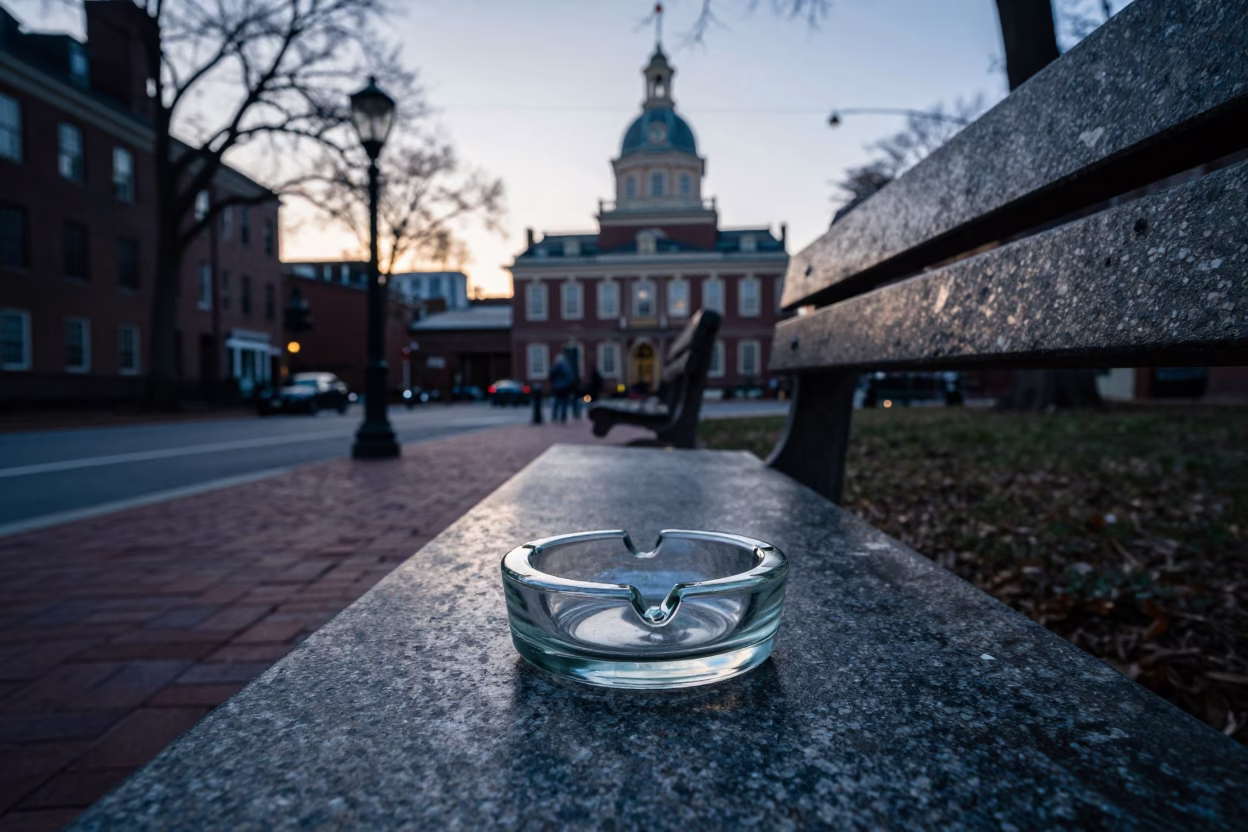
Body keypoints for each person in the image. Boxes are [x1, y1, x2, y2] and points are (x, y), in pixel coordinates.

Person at [549, 352, 576, 424]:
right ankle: (563, 417)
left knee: (556, 402)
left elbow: (551, 376)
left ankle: (554, 416)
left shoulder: (554, 367)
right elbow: (570, 377)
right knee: (564, 403)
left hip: (557, 387)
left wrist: (554, 383)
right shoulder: (566, 367)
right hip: (564, 388)